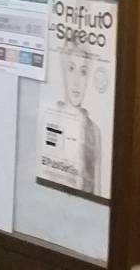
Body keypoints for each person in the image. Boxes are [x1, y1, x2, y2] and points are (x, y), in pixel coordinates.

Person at [41, 47, 103, 196]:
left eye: (83, 72)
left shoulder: (94, 131)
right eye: (71, 69)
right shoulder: (49, 118)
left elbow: (98, 190)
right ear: (63, 71)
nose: (77, 82)